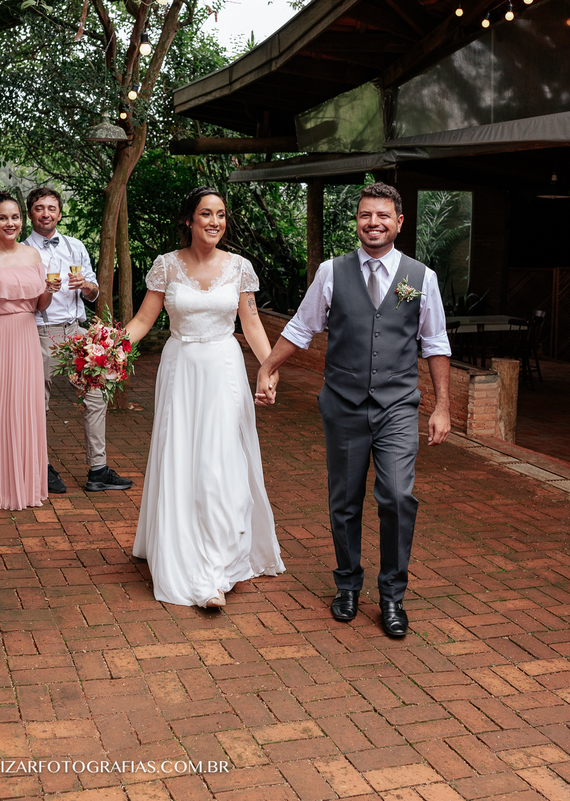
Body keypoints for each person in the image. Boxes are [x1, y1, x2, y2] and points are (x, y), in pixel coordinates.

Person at [256, 181, 451, 638]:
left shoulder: (421, 278)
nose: (373, 223)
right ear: (357, 221)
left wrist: (442, 407)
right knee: (344, 500)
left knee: (398, 496)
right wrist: (267, 367)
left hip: (398, 405)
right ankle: (347, 584)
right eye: (366, 215)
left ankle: (392, 596)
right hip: (342, 403)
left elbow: (435, 342)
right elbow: (303, 328)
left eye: (383, 216)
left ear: (399, 223)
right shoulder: (331, 272)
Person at [123, 187, 285, 608]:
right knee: (181, 458)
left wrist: (269, 370)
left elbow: (250, 326)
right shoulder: (166, 266)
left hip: (224, 371)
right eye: (205, 214)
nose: (214, 222)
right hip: (180, 370)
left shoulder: (240, 268)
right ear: (189, 221)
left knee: (220, 464)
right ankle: (181, 550)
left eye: (220, 215)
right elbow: (143, 319)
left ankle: (215, 569)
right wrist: (108, 350)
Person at [24, 188, 132, 494]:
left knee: (96, 396)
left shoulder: (75, 246)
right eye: (39, 208)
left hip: (76, 332)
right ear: (30, 213)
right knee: (37, 404)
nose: (46, 213)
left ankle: (97, 469)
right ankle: (40, 468)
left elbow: (95, 292)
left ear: (60, 213)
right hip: (39, 331)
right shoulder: (22, 252)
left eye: (52, 208)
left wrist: (85, 286)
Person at [0, 191, 54, 511]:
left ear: (22, 220)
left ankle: (25, 484)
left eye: (15, 217)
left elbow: (41, 304)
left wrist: (49, 290)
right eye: (3, 217)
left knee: (24, 407)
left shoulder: (33, 256)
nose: (10, 222)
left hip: (26, 334)